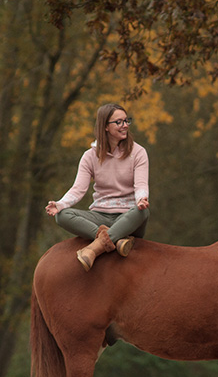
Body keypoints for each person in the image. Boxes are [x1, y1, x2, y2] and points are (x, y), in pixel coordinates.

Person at [45, 102, 150, 271]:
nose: (125, 126)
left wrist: (141, 200)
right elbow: (78, 189)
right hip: (100, 216)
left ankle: (97, 246)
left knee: (143, 212)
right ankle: (117, 239)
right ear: (105, 127)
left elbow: (141, 185)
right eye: (119, 122)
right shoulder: (90, 156)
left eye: (126, 121)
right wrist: (60, 204)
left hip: (127, 217)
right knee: (62, 216)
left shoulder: (138, 152)